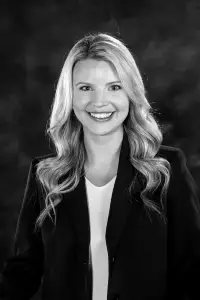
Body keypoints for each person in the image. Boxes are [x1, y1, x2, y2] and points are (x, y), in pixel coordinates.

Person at [0, 32, 200, 300]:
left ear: (131, 93)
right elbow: (22, 272)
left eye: (114, 87)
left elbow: (191, 272)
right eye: (85, 88)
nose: (99, 102)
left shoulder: (166, 169)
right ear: (69, 96)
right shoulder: (45, 175)